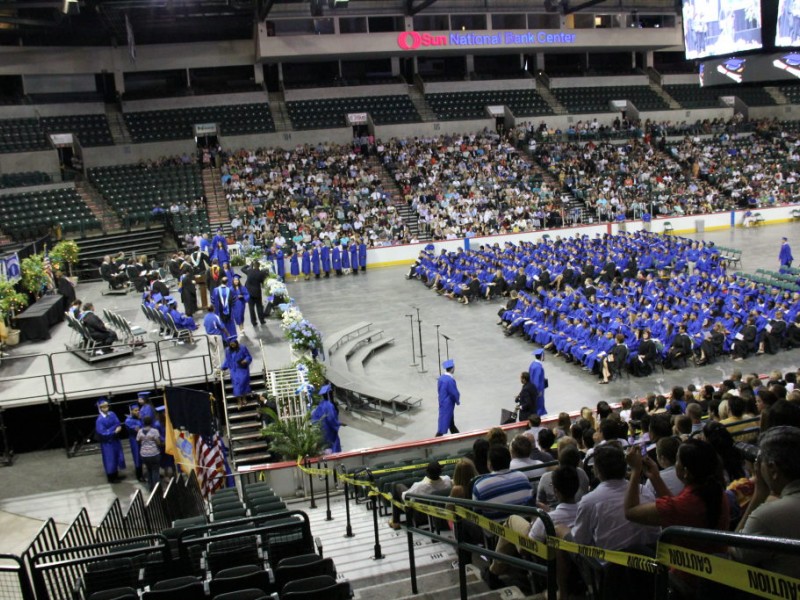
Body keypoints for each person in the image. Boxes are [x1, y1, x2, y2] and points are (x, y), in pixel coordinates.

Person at [624, 438, 730, 596]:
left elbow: (630, 511)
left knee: (633, 552)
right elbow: (676, 510)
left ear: (686, 472)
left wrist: (635, 471)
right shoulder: (716, 491)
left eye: (678, 461)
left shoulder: (687, 504)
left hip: (686, 579)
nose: (676, 465)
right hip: (714, 574)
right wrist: (655, 477)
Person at [734, 426, 800, 578]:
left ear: (773, 469)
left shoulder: (767, 516)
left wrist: (759, 494)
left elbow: (735, 552)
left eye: (760, 463)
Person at [388, 460, 452, 530]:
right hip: (440, 515)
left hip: (420, 516)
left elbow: (405, 497)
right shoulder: (447, 480)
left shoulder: (419, 486)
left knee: (398, 486)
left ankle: (395, 521)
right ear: (440, 471)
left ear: (427, 472)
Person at [95, 398, 126, 483]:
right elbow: (102, 433)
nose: (105, 408)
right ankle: (111, 477)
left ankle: (116, 475)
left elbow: (117, 423)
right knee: (110, 459)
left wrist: (114, 429)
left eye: (106, 406)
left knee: (117, 457)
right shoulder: (99, 420)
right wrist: (114, 431)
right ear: (100, 408)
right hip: (107, 443)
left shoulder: (112, 414)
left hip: (115, 440)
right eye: (103, 407)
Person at [221, 338, 252, 410]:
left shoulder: (243, 348)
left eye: (234, 344)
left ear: (236, 343)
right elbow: (227, 360)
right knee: (236, 385)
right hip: (234, 370)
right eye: (231, 345)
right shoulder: (227, 350)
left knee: (243, 382)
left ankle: (244, 398)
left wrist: (245, 360)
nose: (232, 346)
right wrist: (222, 367)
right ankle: (239, 401)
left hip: (243, 369)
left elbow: (249, 357)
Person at [311, 386, 341, 454]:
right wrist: (338, 424)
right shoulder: (329, 405)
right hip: (329, 431)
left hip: (321, 431)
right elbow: (331, 419)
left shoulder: (320, 404)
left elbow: (314, 418)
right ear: (329, 394)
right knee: (333, 449)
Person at [136, 415, 163, 491]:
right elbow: (158, 442)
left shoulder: (140, 431)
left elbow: (138, 441)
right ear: (151, 422)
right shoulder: (154, 431)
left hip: (144, 454)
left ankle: (150, 487)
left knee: (149, 470)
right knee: (155, 471)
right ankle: (157, 488)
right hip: (154, 454)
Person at [436, 359, 460, 436]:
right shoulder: (450, 380)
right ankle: (437, 439)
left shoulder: (441, 378)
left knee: (450, 422)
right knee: (444, 423)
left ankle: (457, 436)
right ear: (452, 368)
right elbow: (454, 392)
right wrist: (457, 400)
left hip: (442, 402)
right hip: (448, 404)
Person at [124, 404, 145, 483]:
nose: (138, 411)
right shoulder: (128, 420)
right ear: (131, 411)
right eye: (135, 410)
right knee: (137, 457)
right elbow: (137, 429)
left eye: (138, 410)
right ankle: (139, 475)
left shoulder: (140, 418)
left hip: (143, 440)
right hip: (135, 441)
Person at [243, 261, 267, 327]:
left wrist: (248, 264)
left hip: (249, 292)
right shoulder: (261, 273)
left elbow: (242, 269)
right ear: (259, 266)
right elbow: (263, 283)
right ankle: (262, 320)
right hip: (257, 292)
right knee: (259, 306)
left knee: (251, 308)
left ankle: (254, 322)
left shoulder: (249, 271)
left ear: (253, 266)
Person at [528, 349, 547, 415]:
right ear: (541, 356)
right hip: (538, 390)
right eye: (544, 355)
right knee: (539, 404)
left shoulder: (533, 364)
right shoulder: (538, 367)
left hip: (532, 387)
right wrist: (538, 391)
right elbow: (537, 380)